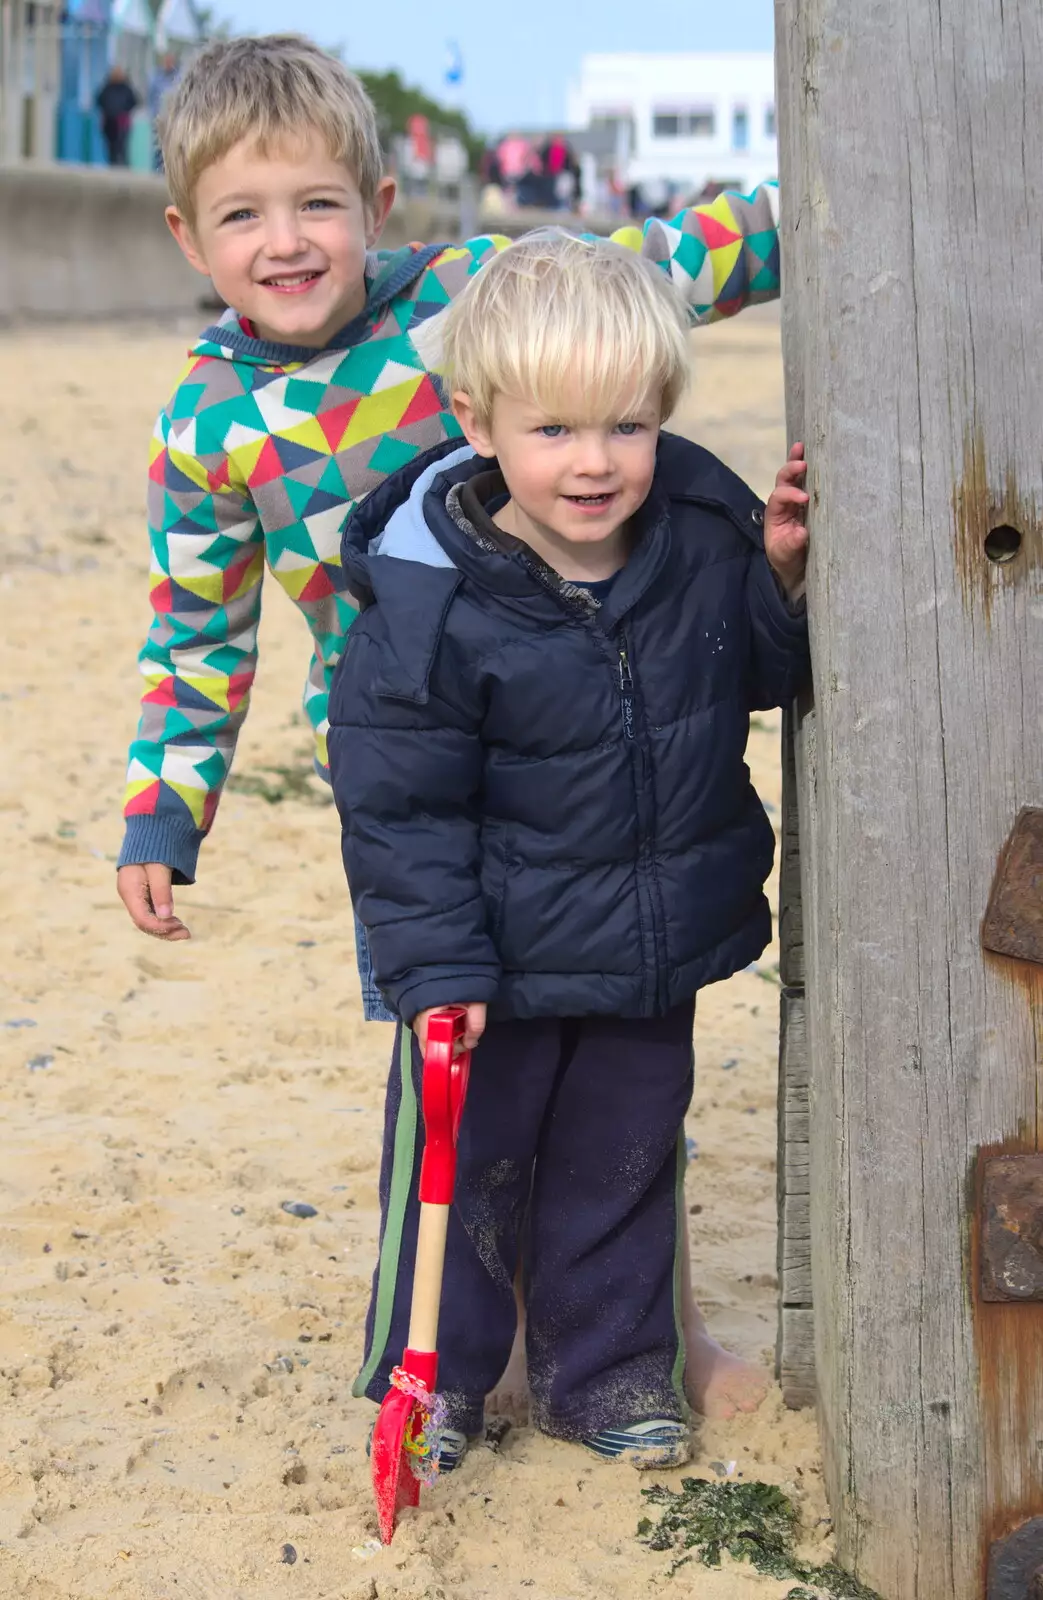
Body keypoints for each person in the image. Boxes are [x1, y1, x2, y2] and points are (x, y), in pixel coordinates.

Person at [111, 32, 784, 1419]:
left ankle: (648, 1337)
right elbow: (195, 627)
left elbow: (650, 270)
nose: (285, 242)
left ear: (378, 200)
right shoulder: (204, 421)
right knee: (469, 1062)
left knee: (614, 1048)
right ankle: (473, 1344)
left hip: (579, 740)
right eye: (242, 214)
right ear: (187, 232)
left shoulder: (472, 302)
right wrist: (164, 812)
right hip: (417, 777)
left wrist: (803, 210)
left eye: (315, 204)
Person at [327, 232, 810, 1469]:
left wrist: (777, 581)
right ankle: (431, 1378)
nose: (593, 463)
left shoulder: (699, 533)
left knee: (624, 1160)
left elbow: (750, 676)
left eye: (625, 427)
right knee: (461, 1166)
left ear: (660, 413)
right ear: (478, 424)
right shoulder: (430, 596)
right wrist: (434, 967)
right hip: (490, 960)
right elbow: (400, 808)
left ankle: (603, 1377)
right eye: (552, 432)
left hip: (645, 941)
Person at [96, 64, 138, 167]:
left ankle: (122, 166)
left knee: (122, 147)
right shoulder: (107, 88)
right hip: (109, 123)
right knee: (111, 148)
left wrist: (124, 110)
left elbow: (134, 101)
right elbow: (99, 100)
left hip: (122, 123)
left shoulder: (126, 89)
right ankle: (113, 165)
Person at [147, 52, 180, 172]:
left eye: (170, 61)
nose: (168, 63)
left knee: (171, 147)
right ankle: (156, 172)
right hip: (158, 118)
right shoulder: (156, 78)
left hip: (173, 119)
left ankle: (169, 172)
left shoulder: (178, 78)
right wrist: (152, 115)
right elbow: (151, 98)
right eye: (166, 60)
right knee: (157, 146)